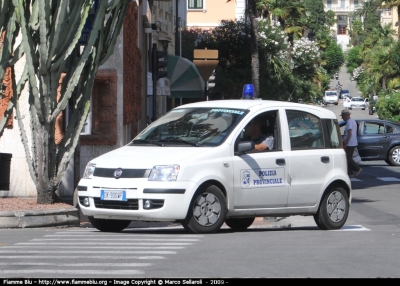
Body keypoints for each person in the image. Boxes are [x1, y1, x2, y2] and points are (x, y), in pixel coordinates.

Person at [340, 110, 362, 178]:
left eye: (343, 116)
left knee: (348, 158)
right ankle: (350, 173)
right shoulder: (352, 121)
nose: (342, 118)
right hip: (352, 142)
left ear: (346, 115)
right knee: (349, 158)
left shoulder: (349, 122)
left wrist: (346, 142)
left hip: (350, 143)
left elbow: (349, 133)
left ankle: (357, 168)